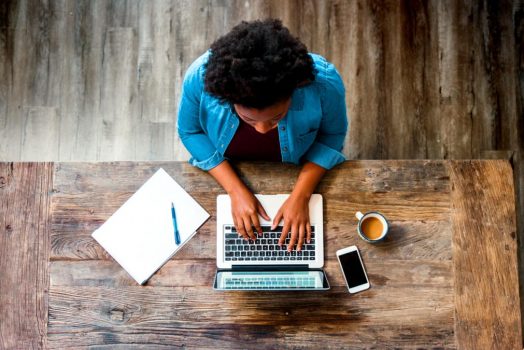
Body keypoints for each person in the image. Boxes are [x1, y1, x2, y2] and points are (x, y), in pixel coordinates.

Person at [177, 19, 348, 252]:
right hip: (230, 165)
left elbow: (333, 135)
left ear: (293, 91)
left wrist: (302, 195)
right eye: (249, 120)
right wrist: (235, 190)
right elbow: (190, 131)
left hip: (298, 165)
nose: (263, 130)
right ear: (228, 98)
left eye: (276, 117)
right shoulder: (199, 78)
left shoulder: (324, 84)